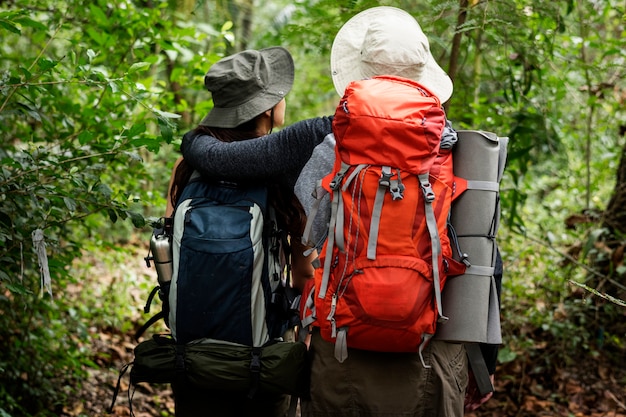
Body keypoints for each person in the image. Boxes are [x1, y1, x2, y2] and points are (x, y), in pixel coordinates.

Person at [180, 7, 501, 417]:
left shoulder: (328, 139)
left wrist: (191, 140)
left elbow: (301, 225)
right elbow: (486, 259)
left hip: (344, 346)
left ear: (358, 71)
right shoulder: (460, 148)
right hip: (432, 353)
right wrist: (480, 366)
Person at [166, 47, 332, 417]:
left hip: (191, 355)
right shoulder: (282, 174)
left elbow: (172, 250)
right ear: (267, 108)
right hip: (263, 358)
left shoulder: (187, 165)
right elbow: (305, 273)